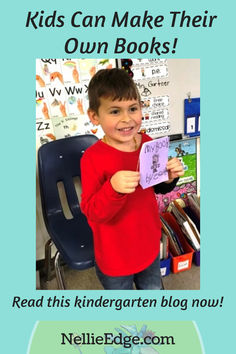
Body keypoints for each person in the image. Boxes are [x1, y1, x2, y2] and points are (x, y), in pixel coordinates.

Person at [80, 68, 184, 290]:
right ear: (94, 116)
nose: (127, 119)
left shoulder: (147, 141)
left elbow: (156, 187)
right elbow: (92, 211)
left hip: (148, 245)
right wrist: (113, 188)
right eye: (115, 111)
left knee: (153, 292)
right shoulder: (92, 158)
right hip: (114, 256)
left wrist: (168, 177)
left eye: (133, 108)